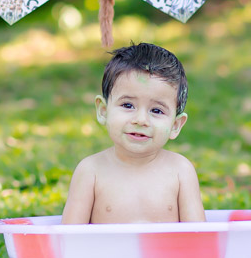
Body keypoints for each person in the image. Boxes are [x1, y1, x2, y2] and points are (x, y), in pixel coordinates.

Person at [61, 43, 205, 224]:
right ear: (104, 111)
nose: (141, 120)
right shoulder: (91, 171)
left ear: (176, 125)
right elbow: (69, 239)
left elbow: (198, 237)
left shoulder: (180, 171)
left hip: (166, 254)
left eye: (157, 110)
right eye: (128, 105)